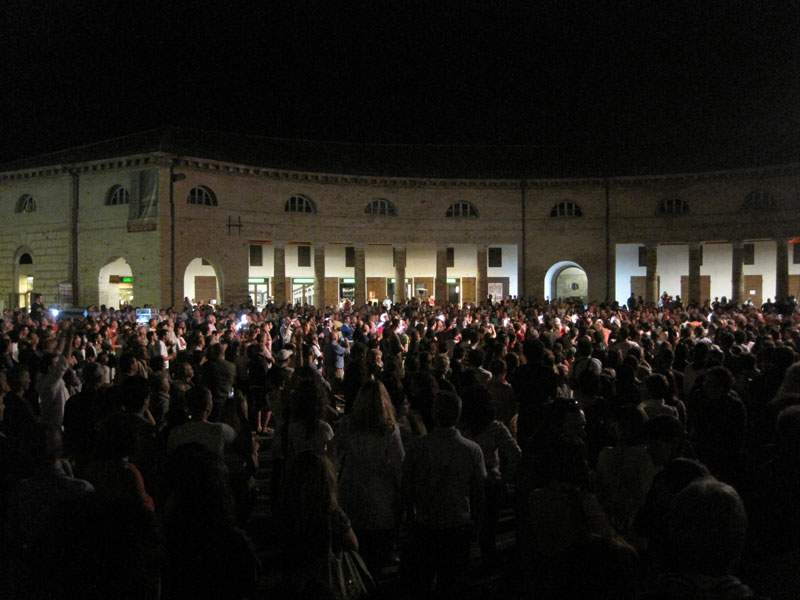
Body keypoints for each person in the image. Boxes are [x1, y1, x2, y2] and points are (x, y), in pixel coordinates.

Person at [401, 390, 486, 594]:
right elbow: (478, 491)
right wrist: (477, 521)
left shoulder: (418, 447)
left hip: (426, 522)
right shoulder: (472, 449)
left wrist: (410, 518)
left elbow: (406, 487)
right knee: (452, 582)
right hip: (458, 523)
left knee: (423, 580)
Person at [336, 380, 405, 580]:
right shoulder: (389, 430)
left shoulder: (348, 425)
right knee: (376, 558)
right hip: (380, 497)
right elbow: (400, 465)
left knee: (354, 554)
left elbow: (333, 454)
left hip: (351, 492)